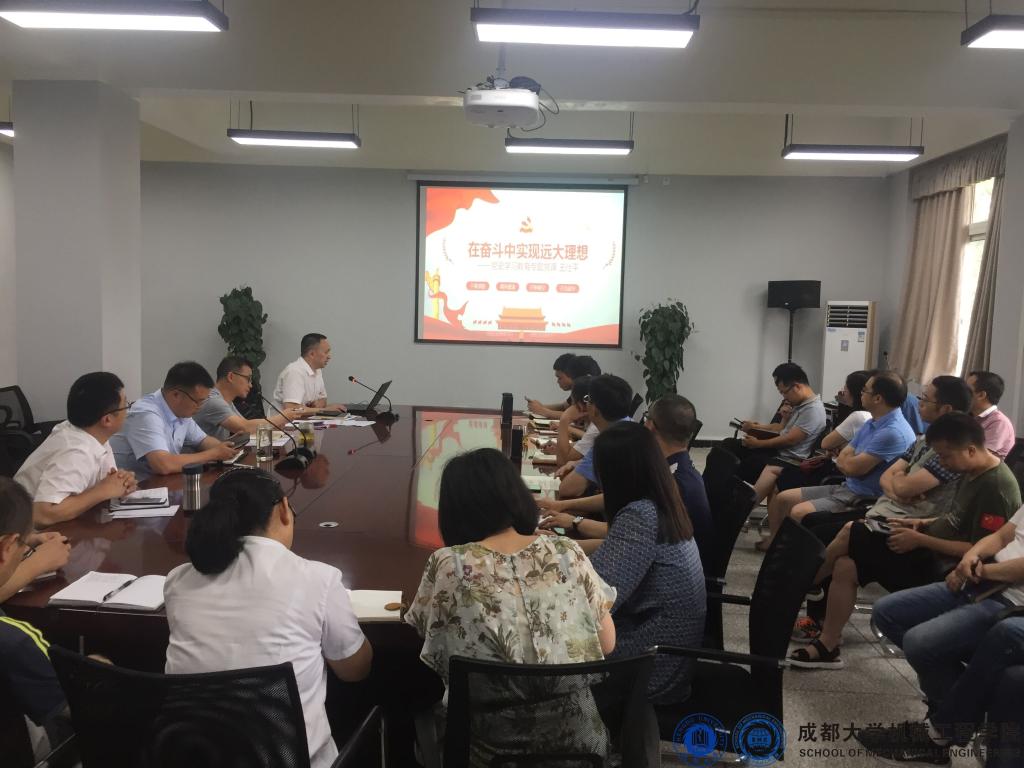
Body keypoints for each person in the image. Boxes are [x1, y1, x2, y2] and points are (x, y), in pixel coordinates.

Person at [405, 448, 616, 766]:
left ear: (453, 510)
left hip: (488, 752)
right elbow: (606, 644)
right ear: (517, 497)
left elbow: (427, 640)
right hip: (580, 749)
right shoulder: (567, 551)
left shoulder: (449, 564)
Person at [164, 468, 373, 768]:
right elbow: (355, 670)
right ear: (284, 511)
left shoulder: (178, 581)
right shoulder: (317, 579)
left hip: (197, 758)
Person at [789, 410, 1020, 669]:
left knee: (853, 531)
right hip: (928, 546)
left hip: (946, 567)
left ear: (970, 450)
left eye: (945, 456)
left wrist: (920, 540)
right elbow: (956, 519)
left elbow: (979, 549)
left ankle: (796, 590)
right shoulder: (971, 470)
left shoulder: (996, 488)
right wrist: (921, 523)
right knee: (846, 564)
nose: (942, 464)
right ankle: (828, 644)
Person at [856, 506, 1024, 764]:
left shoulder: (994, 486)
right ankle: (962, 706)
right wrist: (971, 557)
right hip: (980, 578)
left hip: (1008, 600)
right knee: (888, 613)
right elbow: (1002, 536)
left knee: (921, 643)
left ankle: (939, 732)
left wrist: (979, 571)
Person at [585, 422, 706, 703]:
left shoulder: (641, 516)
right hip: (665, 654)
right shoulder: (662, 502)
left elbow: (594, 600)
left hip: (648, 667)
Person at [539, 394, 715, 574]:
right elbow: (624, 530)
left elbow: (626, 535)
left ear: (649, 426)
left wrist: (575, 524)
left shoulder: (674, 484)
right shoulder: (671, 468)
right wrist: (562, 508)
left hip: (661, 574)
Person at [762, 371, 916, 550]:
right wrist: (846, 459)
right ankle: (776, 548)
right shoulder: (872, 422)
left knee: (799, 512)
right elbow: (845, 457)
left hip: (862, 497)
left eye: (865, 390)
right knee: (783, 498)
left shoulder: (893, 432)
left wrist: (846, 458)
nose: (861, 393)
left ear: (878, 398)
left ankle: (794, 559)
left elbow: (850, 467)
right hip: (846, 487)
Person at [0, 478, 72, 755]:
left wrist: (23, 538)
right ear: (6, 548)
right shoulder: (13, 641)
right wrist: (91, 671)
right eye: (22, 548)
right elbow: (75, 707)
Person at [15, 371, 137, 526]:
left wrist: (121, 483)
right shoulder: (76, 451)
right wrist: (103, 491)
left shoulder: (92, 433)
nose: (127, 411)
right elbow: (43, 514)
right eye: (126, 405)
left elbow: (105, 484)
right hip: (24, 533)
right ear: (107, 420)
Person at [110, 362, 238, 475]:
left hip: (159, 484)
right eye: (198, 401)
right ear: (176, 394)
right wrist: (213, 454)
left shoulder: (182, 411)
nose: (200, 406)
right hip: (135, 488)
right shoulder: (146, 414)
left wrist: (226, 449)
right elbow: (163, 465)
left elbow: (203, 441)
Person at [741, 363, 827, 504]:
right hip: (779, 452)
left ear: (797, 386)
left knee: (740, 459)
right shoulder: (800, 404)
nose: (784, 397)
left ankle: (742, 507)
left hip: (788, 459)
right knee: (731, 447)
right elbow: (782, 430)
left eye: (784, 392)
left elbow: (789, 440)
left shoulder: (812, 410)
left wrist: (758, 444)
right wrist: (758, 427)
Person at [774, 370, 871, 494]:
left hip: (836, 471)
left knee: (781, 478)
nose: (842, 392)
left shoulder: (858, 416)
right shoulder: (869, 416)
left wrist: (837, 446)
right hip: (842, 468)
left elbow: (825, 444)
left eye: (845, 389)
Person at [193, 356, 306, 440]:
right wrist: (282, 417)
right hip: (201, 463)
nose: (251, 385)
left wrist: (277, 424)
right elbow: (245, 427)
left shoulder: (226, 401)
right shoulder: (213, 401)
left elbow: (247, 429)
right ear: (231, 377)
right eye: (248, 379)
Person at [557, 374, 633, 499]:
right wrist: (579, 463)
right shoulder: (632, 428)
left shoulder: (608, 442)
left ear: (595, 409)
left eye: (587, 399)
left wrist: (564, 419)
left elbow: (567, 489)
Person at [273, 333, 347, 412]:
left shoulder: (317, 370)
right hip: (283, 420)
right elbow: (292, 409)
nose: (329, 356)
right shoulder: (294, 372)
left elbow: (323, 399)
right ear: (312, 354)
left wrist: (318, 405)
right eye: (326, 352)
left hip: (307, 418)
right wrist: (325, 410)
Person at [967, 370, 1016, 459]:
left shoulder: (999, 422)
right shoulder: (969, 416)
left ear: (981, 395)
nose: (962, 393)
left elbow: (976, 458)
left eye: (967, 390)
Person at [525, 352, 577, 418]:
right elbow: (564, 406)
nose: (557, 381)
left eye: (560, 378)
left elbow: (574, 416)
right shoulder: (575, 390)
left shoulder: (583, 389)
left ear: (571, 375)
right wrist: (540, 407)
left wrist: (542, 410)